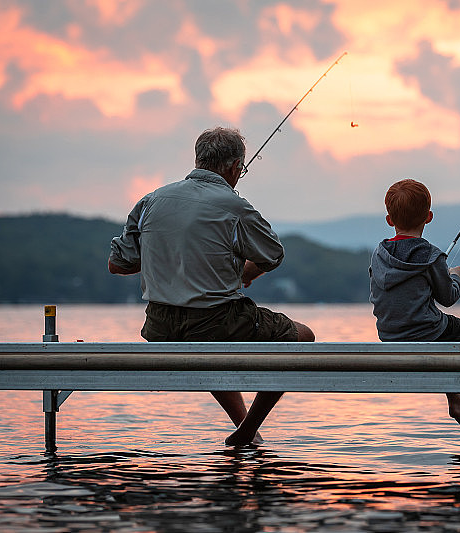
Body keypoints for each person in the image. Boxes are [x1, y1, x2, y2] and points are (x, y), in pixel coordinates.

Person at [108, 126, 314, 446]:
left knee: (207, 347)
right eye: (240, 170)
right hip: (215, 321)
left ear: (198, 159)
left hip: (159, 328)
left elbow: (118, 264)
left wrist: (168, 255)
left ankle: (247, 430)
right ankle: (249, 429)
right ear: (235, 168)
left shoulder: (151, 200)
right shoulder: (234, 205)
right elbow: (273, 255)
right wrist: (246, 272)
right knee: (302, 337)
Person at [369, 178, 460, 426]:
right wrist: (454, 276)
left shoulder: (379, 253)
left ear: (389, 220)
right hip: (425, 332)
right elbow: (448, 298)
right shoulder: (431, 255)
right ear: (429, 216)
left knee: (441, 342)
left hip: (388, 334)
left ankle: (456, 403)